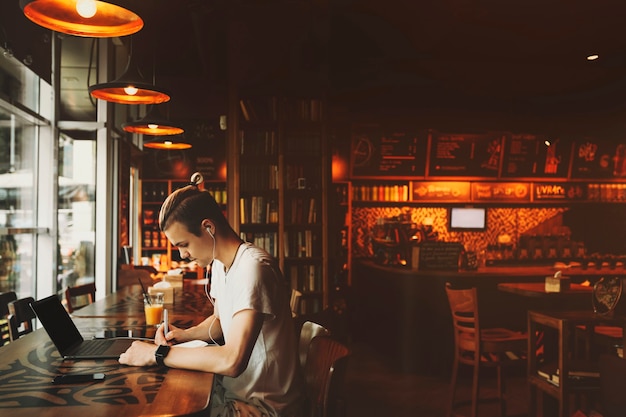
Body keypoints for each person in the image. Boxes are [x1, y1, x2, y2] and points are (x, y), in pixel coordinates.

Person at [119, 173, 304, 417]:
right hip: (232, 393)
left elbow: (232, 360)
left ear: (208, 227)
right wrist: (183, 335)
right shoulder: (219, 263)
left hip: (260, 408)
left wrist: (158, 354)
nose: (182, 255)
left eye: (183, 244)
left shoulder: (253, 268)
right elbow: (219, 323)